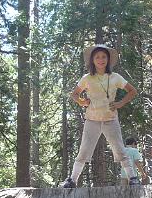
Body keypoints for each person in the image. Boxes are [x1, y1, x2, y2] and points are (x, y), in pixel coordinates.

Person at [60, 45, 140, 187]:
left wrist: (120, 103)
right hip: (92, 119)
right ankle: (72, 180)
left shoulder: (115, 77)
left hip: (111, 119)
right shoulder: (87, 78)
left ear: (108, 59)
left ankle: (133, 178)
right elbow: (74, 94)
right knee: (84, 150)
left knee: (120, 149)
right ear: (92, 60)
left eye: (103, 57)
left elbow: (132, 91)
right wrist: (81, 102)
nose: (101, 60)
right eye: (97, 57)